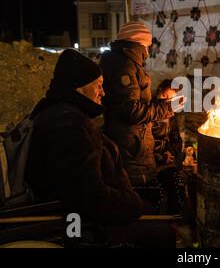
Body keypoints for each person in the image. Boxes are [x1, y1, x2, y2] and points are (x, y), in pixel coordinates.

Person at [25, 49, 175, 247]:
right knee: (163, 233)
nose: (103, 93)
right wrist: (131, 203)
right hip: (84, 223)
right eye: (98, 86)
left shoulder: (65, 114)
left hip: (93, 208)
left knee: (153, 208)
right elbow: (87, 196)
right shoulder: (67, 125)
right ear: (79, 89)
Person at [99, 22, 183, 212]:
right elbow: (131, 111)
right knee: (142, 201)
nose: (147, 51)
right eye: (146, 46)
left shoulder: (124, 63)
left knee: (155, 195)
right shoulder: (123, 66)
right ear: (138, 44)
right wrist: (166, 108)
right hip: (131, 148)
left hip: (135, 147)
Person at [152, 79, 185, 214]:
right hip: (148, 163)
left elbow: (176, 140)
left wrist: (169, 154)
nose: (166, 101)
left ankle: (174, 220)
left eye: (170, 99)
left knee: (177, 183)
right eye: (164, 96)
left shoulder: (171, 117)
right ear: (159, 91)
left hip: (165, 163)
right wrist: (159, 157)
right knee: (155, 192)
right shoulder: (148, 113)